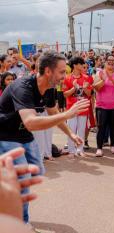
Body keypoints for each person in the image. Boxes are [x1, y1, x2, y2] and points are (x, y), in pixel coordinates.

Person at [0, 51, 89, 223]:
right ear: (48, 71)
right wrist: (68, 115)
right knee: (22, 180)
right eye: (62, 72)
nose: (65, 76)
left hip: (23, 135)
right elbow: (31, 122)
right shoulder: (22, 87)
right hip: (5, 136)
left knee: (37, 171)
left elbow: (52, 112)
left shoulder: (49, 89)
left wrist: (70, 133)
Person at [93, 54, 114, 157]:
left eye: (113, 60)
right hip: (102, 105)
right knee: (101, 127)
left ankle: (113, 145)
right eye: (109, 60)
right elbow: (96, 88)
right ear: (105, 61)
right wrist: (103, 80)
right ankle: (99, 148)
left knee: (113, 126)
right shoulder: (100, 73)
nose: (111, 62)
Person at [63, 56, 93, 158]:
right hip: (71, 108)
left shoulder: (86, 77)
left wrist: (84, 88)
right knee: (71, 129)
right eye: (80, 64)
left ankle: (80, 149)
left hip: (83, 107)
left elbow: (89, 94)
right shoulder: (67, 78)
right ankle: (71, 150)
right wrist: (73, 88)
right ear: (75, 65)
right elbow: (65, 94)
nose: (83, 66)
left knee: (81, 130)